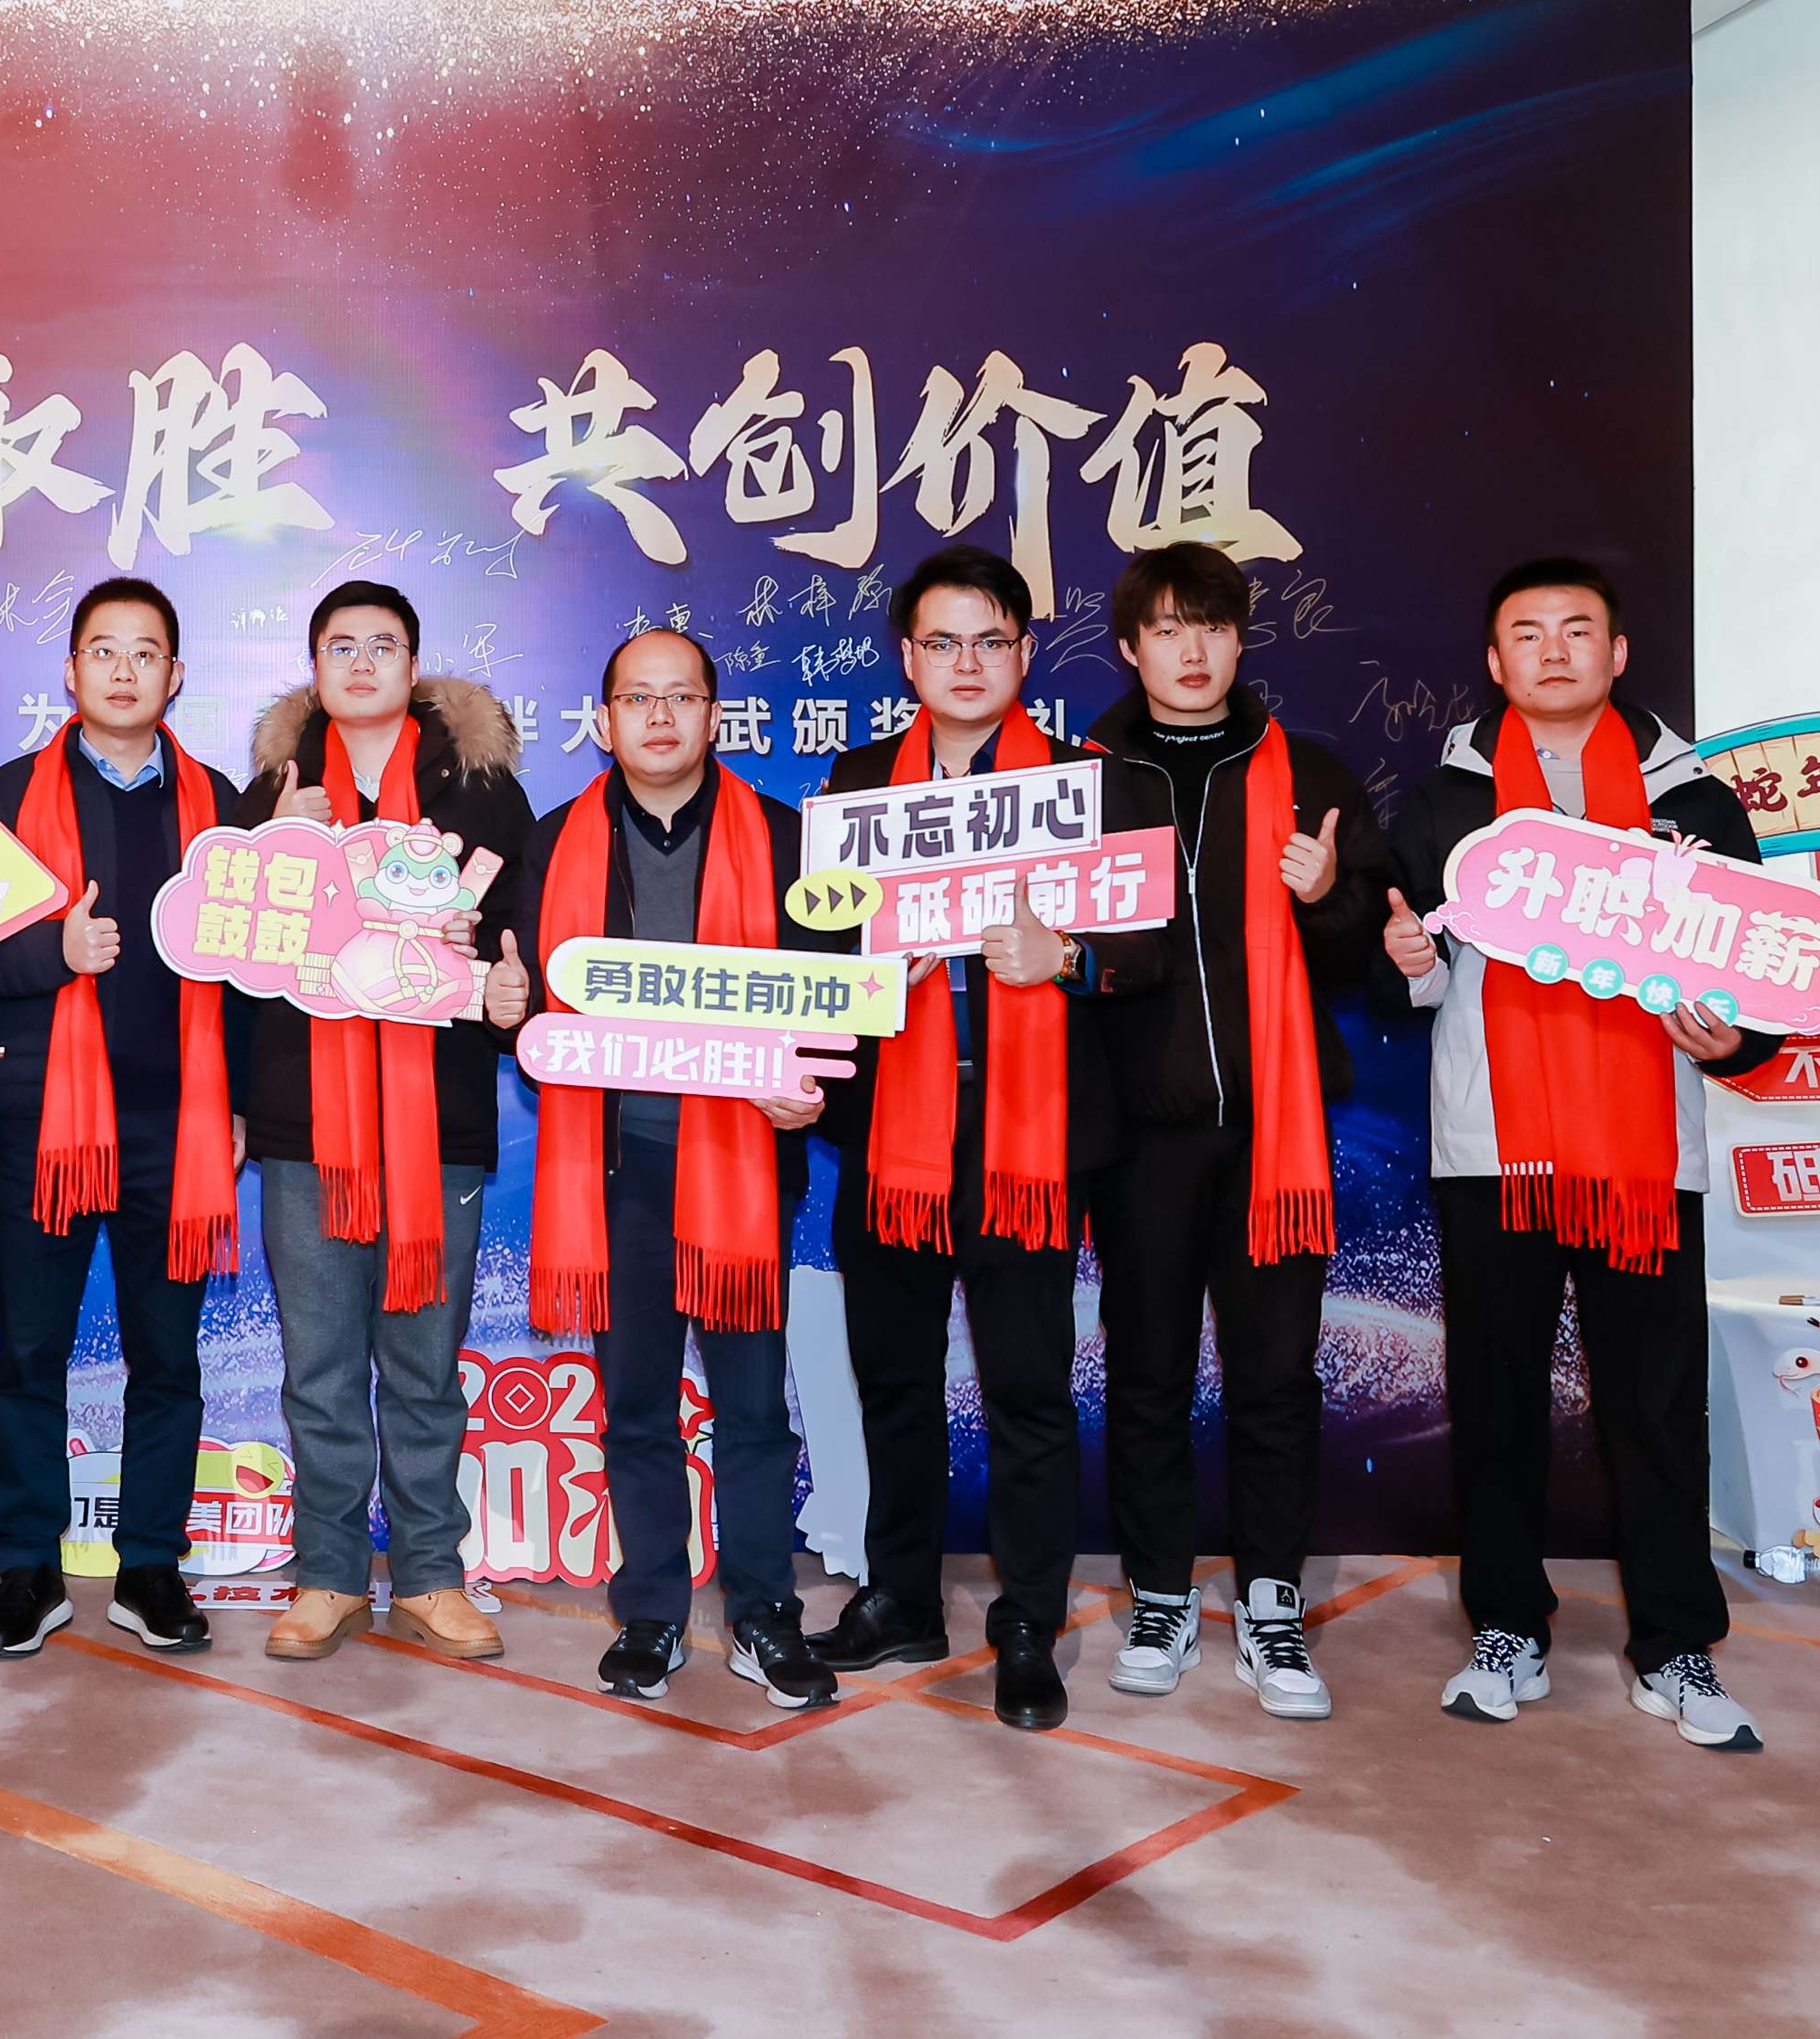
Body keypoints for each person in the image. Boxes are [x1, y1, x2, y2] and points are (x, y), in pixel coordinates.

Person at [1379, 556, 1784, 1752]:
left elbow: (1756, 963)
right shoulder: (1444, 799)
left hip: (1646, 1152)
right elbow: (1410, 963)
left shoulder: (1694, 802)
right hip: (1495, 1144)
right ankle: (1508, 1625)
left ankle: (1675, 1644)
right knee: (1496, 1399)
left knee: (1656, 1406)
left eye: (1576, 630)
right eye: (1527, 632)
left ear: (1618, 654)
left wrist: (1734, 1036)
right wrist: (1410, 962)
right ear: (1494, 661)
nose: (1552, 651)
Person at [806, 544, 1165, 1730]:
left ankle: (1026, 1625)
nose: (967, 662)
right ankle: (902, 1597)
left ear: (1026, 651)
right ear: (907, 659)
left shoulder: (1084, 781)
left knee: (1027, 1389)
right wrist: (867, 971)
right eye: (942, 642)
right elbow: (814, 951)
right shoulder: (860, 783)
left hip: (1026, 1138)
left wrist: (1068, 956)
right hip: (894, 1135)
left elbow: (1147, 947)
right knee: (894, 1381)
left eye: (991, 640)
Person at [513, 626, 856, 1712]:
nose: (659, 716)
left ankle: (762, 1613)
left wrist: (813, 1086)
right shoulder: (551, 845)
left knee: (754, 1407)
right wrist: (501, 1007)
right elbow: (525, 1009)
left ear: (716, 716)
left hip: (743, 1164)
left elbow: (836, 1001)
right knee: (636, 1405)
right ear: (603, 720)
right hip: (616, 1169)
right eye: (637, 698)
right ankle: (652, 1612)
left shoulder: (789, 843)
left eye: (681, 697)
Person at [1081, 542, 1391, 1719]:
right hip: (1142, 1138)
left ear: (1239, 638)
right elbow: (1057, 954)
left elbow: (1369, 951)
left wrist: (1325, 897)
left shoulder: (1309, 773)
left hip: (1277, 1134)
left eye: (1210, 625)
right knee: (1147, 1374)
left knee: (1274, 1380)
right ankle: (1159, 1593)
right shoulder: (1083, 780)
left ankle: (1271, 1602)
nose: (1192, 649)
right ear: (1131, 648)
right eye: (1167, 628)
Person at [231, 581, 535, 1664]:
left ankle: (430, 1575)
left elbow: (521, 941)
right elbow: (231, 961)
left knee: (423, 1366)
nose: (362, 662)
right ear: (314, 668)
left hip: (436, 1120)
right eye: (341, 646)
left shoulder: (483, 789)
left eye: (384, 644)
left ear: (414, 664)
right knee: (318, 1369)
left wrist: (500, 976)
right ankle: (327, 1576)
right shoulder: (270, 791)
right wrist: (278, 845)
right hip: (303, 1120)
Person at [0, 576, 252, 1661]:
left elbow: (254, 973)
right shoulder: (9, 792)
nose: (123, 670)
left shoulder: (221, 804)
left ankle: (150, 1567)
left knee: (166, 1357)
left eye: (144, 652)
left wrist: (239, 1104)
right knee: (30, 1355)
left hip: (177, 1123)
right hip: (46, 1120)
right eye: (103, 649)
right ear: (70, 670)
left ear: (175, 675)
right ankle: (28, 1570)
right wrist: (59, 951)